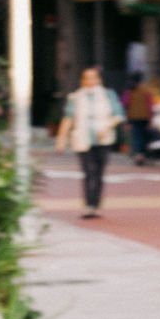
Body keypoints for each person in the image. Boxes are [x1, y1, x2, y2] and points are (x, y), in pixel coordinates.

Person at [54, 66, 121, 218]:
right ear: (82, 80)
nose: (89, 81)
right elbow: (68, 118)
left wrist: (107, 127)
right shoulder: (76, 97)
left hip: (103, 139)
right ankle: (88, 205)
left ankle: (96, 204)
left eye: (92, 77)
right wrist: (61, 139)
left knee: (99, 173)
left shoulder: (108, 95)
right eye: (86, 78)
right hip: (83, 139)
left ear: (99, 79)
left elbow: (118, 115)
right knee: (88, 172)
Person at [126, 76, 160, 164]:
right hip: (145, 117)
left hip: (133, 117)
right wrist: (151, 118)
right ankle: (142, 154)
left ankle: (139, 155)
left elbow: (124, 103)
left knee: (137, 136)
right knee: (143, 136)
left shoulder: (129, 91)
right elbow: (150, 105)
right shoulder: (146, 91)